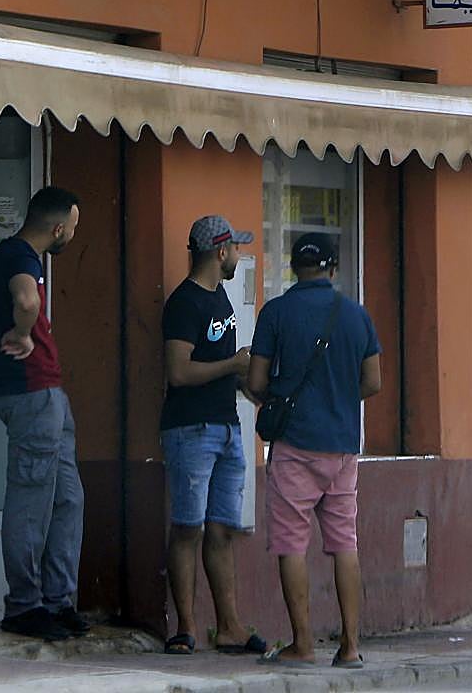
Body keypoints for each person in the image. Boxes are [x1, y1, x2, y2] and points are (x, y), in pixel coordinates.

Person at [248, 232, 382, 670]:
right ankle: (350, 647)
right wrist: (339, 399)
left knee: (292, 544)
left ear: (292, 267)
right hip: (343, 448)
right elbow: (373, 382)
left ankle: (302, 644)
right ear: (332, 268)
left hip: (293, 445)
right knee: (345, 542)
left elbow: (255, 382)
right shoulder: (355, 315)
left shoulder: (277, 312)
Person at [0, 186, 87, 642]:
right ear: (58, 227)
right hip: (30, 392)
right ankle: (24, 606)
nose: (71, 237)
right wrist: (24, 334)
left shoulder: (19, 257)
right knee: (31, 501)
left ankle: (58, 601)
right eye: (73, 229)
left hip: (47, 394)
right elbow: (26, 300)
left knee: (67, 498)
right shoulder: (20, 258)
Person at [160, 215, 269, 656]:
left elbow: (229, 366)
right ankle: (184, 628)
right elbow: (179, 371)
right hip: (191, 430)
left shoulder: (221, 298)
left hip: (227, 427)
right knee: (188, 529)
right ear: (220, 252)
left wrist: (257, 393)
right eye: (236, 249)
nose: (240, 256)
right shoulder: (184, 303)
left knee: (223, 529)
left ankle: (229, 626)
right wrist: (234, 366)